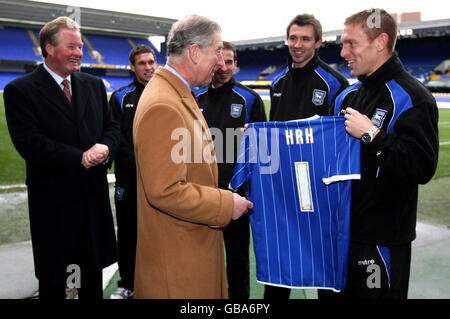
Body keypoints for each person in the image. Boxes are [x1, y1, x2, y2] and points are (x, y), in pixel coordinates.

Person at [319, 8, 439, 299]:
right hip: (337, 237)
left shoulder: (413, 98)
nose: (343, 51)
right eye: (343, 43)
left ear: (381, 41)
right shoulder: (347, 96)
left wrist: (372, 134)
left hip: (380, 242)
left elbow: (422, 167)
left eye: (351, 43)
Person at [132, 14, 253, 299]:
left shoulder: (175, 94)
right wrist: (226, 203)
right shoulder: (164, 104)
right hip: (176, 266)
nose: (222, 63)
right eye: (217, 52)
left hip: (186, 248)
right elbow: (166, 191)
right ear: (195, 52)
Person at [3, 16, 120, 299]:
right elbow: (31, 143)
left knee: (90, 278)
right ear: (49, 48)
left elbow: (112, 127)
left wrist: (105, 148)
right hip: (54, 207)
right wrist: (80, 157)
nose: (79, 53)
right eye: (71, 46)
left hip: (92, 204)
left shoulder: (93, 85)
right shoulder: (21, 90)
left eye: (80, 46)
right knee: (57, 281)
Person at [265, 13, 349, 300]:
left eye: (305, 39)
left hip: (319, 192)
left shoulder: (335, 84)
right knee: (280, 271)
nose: (297, 45)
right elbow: (273, 137)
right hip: (283, 190)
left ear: (318, 43)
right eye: (293, 38)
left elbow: (341, 143)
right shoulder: (276, 83)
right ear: (286, 40)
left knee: (323, 270)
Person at [194, 41, 267, 299]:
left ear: (236, 65)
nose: (223, 67)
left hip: (236, 196)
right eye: (219, 61)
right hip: (200, 195)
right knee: (201, 258)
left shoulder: (250, 99)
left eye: (229, 62)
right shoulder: (195, 98)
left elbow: (263, 152)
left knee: (237, 260)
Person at [109, 45, 157, 299]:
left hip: (161, 181)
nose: (148, 67)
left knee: (160, 233)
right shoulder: (120, 97)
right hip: (129, 180)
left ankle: (156, 282)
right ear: (132, 66)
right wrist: (144, 163)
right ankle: (127, 283)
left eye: (151, 62)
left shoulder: (166, 93)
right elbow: (116, 139)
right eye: (142, 63)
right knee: (128, 234)